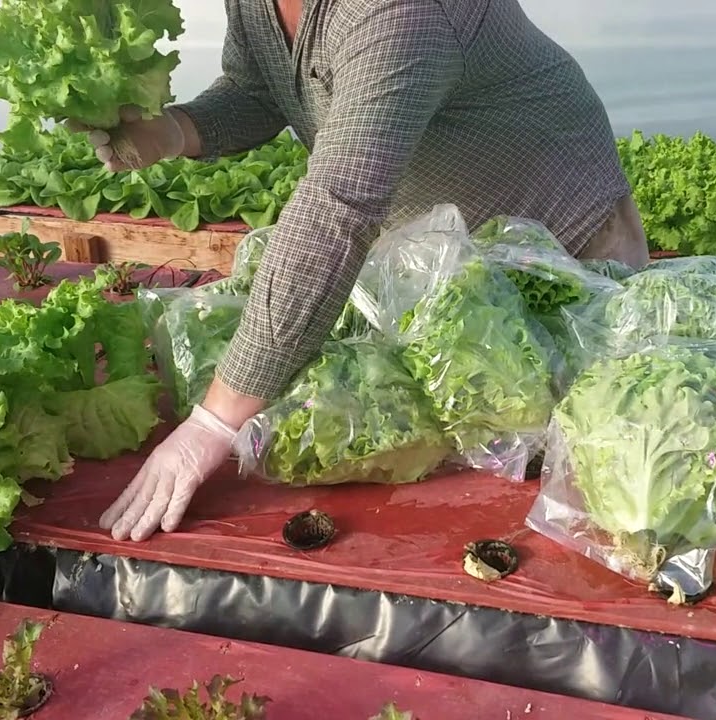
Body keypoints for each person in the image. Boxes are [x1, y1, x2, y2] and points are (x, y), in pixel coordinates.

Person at [75, 0, 649, 542]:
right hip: (447, 273)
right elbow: (259, 87)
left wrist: (214, 424)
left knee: (554, 474)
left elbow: (338, 209)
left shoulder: (398, 12)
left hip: (560, 257)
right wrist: (177, 129)